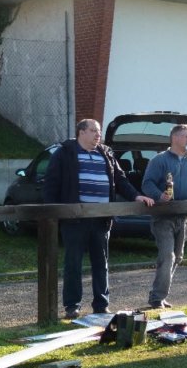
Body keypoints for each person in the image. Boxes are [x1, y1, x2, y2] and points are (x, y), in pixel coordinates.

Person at [44, 119, 154, 319]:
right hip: (75, 219)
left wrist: (136, 196)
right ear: (81, 132)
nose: (98, 135)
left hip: (101, 219)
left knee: (101, 263)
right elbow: (51, 184)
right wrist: (54, 213)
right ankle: (72, 306)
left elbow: (120, 179)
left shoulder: (106, 153)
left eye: (99, 131)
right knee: (73, 263)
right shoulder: (64, 153)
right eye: (93, 130)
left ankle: (101, 305)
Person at [142, 124, 187, 309]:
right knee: (168, 256)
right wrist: (159, 195)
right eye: (186, 136)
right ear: (174, 137)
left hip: (185, 217)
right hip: (163, 218)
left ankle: (159, 295)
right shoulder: (159, 160)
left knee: (177, 257)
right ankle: (157, 298)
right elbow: (147, 183)